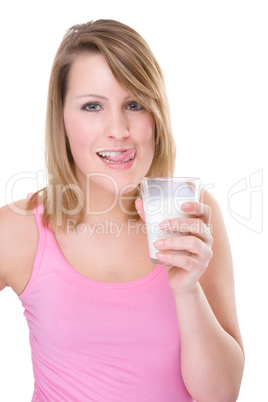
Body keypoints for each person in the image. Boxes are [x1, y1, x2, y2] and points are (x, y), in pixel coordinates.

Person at [0, 19, 244, 401]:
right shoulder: (18, 230)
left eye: (134, 104)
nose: (118, 129)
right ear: (61, 118)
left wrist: (187, 289)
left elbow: (222, 394)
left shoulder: (192, 213)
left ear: (156, 116)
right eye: (92, 106)